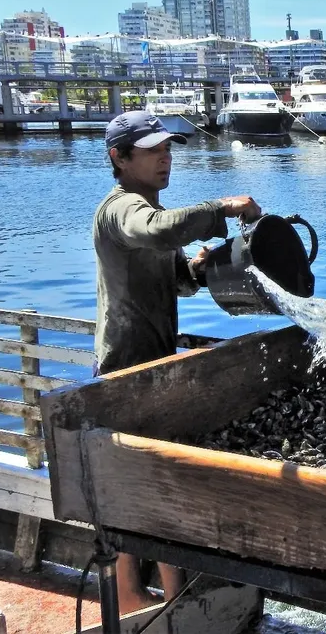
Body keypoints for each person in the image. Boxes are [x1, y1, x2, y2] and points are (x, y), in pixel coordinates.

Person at [94, 111, 262, 613]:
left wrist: (198, 267)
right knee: (136, 491)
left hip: (156, 365)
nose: (165, 157)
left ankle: (171, 595)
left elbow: (175, 277)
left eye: (167, 148)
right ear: (119, 159)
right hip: (125, 370)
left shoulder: (149, 213)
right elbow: (157, 231)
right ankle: (132, 596)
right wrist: (224, 207)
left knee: (150, 486)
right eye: (151, 150)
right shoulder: (123, 209)